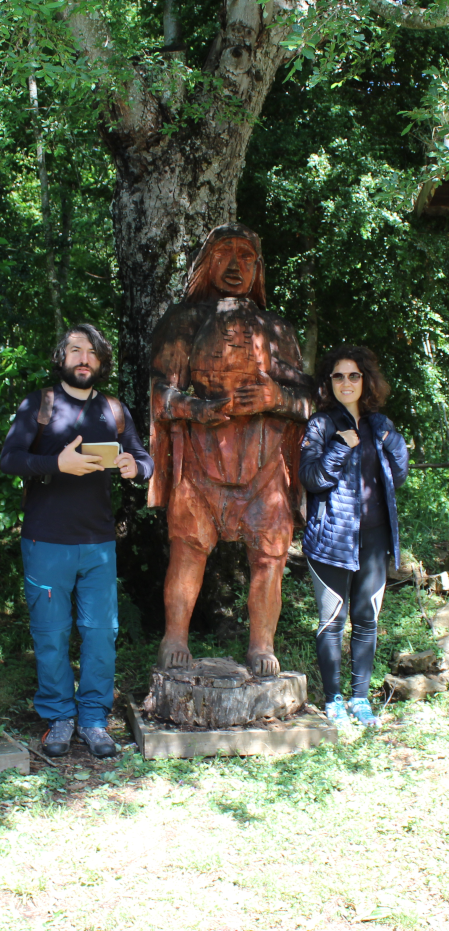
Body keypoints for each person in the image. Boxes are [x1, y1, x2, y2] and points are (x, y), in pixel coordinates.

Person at [149, 223, 312, 675]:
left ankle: (262, 645)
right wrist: (194, 408)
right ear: (206, 264)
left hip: (263, 469)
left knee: (270, 556)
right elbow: (158, 395)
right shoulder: (182, 323)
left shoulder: (276, 329)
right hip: (201, 465)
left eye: (247, 256)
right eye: (225, 254)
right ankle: (174, 636)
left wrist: (276, 399)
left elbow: (311, 399)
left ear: (259, 269)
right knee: (187, 548)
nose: (236, 265)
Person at [0, 324, 153, 757]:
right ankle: (59, 719)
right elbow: (9, 459)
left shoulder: (114, 410)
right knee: (51, 633)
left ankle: (93, 720)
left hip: (99, 543)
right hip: (46, 540)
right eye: (74, 350)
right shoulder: (41, 404)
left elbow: (145, 459)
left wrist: (134, 467)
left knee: (102, 632)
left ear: (101, 362)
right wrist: (57, 463)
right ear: (61, 357)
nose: (83, 358)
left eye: (91, 352)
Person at [299, 346, 408, 727]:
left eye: (354, 375)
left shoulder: (380, 424)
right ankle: (333, 701)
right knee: (333, 620)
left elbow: (396, 477)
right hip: (331, 537)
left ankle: (360, 700)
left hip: (375, 539)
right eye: (339, 376)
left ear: (366, 380)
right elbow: (312, 479)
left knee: (367, 618)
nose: (347, 383)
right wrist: (339, 447)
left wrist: (396, 448)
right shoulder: (321, 425)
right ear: (329, 383)